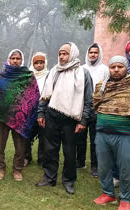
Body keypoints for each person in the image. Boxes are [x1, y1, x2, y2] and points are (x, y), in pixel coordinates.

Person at [35, 42, 93, 194]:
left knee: (69, 152)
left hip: (71, 119)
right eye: (60, 53)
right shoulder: (54, 71)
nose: (61, 56)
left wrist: (83, 120)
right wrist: (41, 113)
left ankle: (68, 181)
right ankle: (49, 178)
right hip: (52, 116)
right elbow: (45, 96)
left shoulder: (83, 73)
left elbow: (88, 100)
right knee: (49, 149)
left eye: (65, 53)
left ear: (72, 54)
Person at [0, 49, 39, 181]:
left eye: (18, 59)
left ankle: (18, 169)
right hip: (2, 115)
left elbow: (33, 96)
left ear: (22, 60)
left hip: (20, 117)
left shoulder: (28, 76)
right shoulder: (1, 76)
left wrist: (27, 112)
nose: (15, 61)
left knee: (20, 145)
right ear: (8, 59)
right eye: (13, 58)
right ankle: (0, 168)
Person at [92, 56, 130, 210]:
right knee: (103, 166)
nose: (115, 70)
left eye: (119, 67)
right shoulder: (101, 86)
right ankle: (108, 193)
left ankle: (126, 199)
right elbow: (96, 104)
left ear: (126, 68)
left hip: (125, 134)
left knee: (125, 168)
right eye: (113, 67)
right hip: (102, 133)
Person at [76, 43, 109, 177]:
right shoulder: (81, 69)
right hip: (82, 108)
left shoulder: (105, 69)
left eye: (95, 52)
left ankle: (95, 166)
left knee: (96, 139)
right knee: (80, 137)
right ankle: (80, 161)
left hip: (97, 109)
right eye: (91, 52)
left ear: (99, 54)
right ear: (87, 54)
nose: (93, 55)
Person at [27, 52, 49, 166]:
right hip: (30, 110)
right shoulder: (29, 76)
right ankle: (27, 157)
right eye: (36, 63)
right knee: (27, 135)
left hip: (44, 111)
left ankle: (42, 159)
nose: (39, 65)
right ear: (33, 64)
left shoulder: (49, 75)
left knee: (43, 136)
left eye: (41, 63)